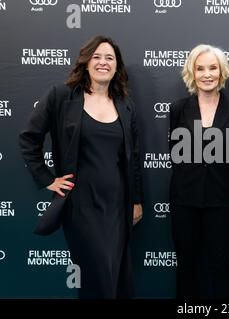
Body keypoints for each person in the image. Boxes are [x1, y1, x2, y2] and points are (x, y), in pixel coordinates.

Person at [19, 35, 143, 299]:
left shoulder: (125, 105)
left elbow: (133, 158)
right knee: (98, 275)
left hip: (118, 206)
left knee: (118, 276)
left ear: (116, 66)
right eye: (97, 57)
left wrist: (136, 200)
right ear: (86, 62)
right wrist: (47, 178)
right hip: (81, 206)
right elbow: (29, 138)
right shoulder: (62, 97)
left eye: (110, 58)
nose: (103, 62)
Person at [169, 44, 229, 299]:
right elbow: (176, 154)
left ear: (222, 72)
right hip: (184, 200)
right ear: (192, 72)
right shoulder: (178, 108)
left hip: (221, 200)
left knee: (220, 265)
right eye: (200, 68)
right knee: (186, 267)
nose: (207, 74)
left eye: (212, 68)